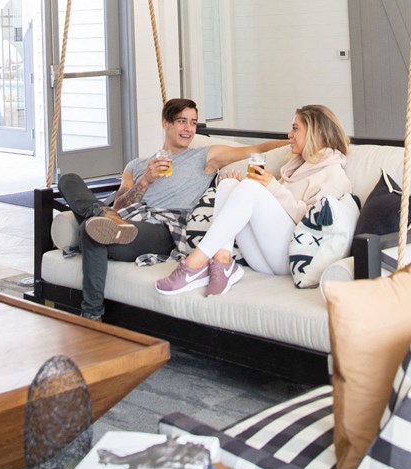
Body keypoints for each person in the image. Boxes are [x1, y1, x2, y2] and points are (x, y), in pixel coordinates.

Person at [57, 98, 284, 319]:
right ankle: (100, 217)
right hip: (125, 220)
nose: (189, 129)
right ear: (165, 123)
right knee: (68, 180)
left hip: (163, 227)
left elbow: (259, 148)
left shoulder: (204, 157)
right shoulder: (136, 165)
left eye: (193, 122)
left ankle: (91, 314)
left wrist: (294, 143)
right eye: (181, 121)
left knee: (91, 227)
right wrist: (145, 180)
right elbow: (119, 206)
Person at [155, 103, 351, 299]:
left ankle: (192, 264)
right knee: (228, 185)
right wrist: (242, 189)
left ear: (314, 132)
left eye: (295, 128)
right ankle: (222, 264)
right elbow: (274, 206)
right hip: (264, 257)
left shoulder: (333, 174)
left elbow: (310, 222)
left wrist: (270, 186)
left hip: (288, 257)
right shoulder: (297, 165)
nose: (289, 134)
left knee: (249, 188)